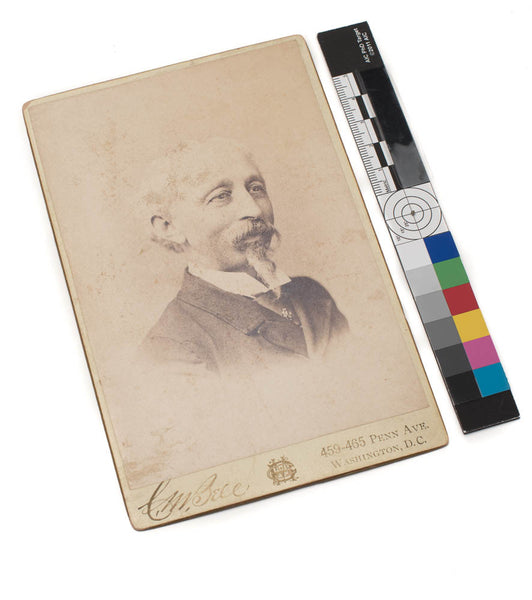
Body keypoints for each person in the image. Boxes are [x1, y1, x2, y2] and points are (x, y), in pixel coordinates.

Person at [141, 138, 349, 375]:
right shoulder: (171, 347)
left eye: (256, 188)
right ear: (168, 227)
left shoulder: (312, 293)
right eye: (221, 196)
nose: (255, 210)